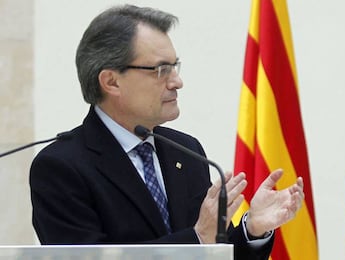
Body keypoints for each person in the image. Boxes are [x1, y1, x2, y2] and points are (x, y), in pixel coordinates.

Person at [29, 5, 304, 260]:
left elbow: (214, 250)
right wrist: (196, 238)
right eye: (161, 70)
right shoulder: (60, 167)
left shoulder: (185, 150)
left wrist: (252, 228)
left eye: (175, 66)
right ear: (111, 81)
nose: (177, 81)